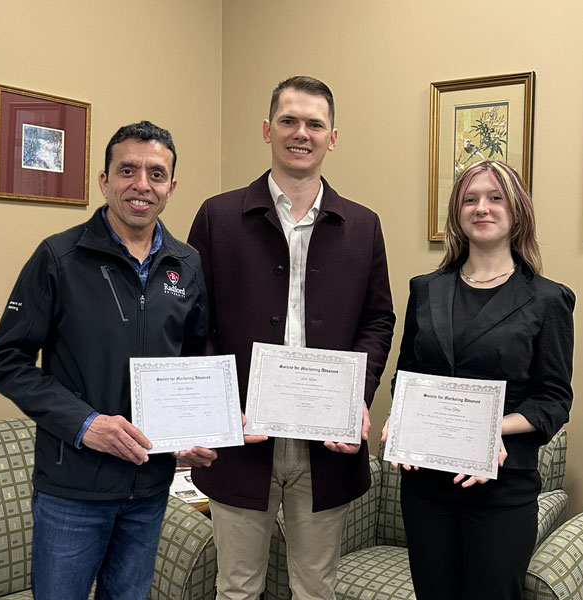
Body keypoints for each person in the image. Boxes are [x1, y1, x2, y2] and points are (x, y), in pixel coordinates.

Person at [0, 121, 218, 600]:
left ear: (171, 186)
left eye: (156, 173)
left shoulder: (186, 265)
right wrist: (86, 424)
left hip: (151, 488)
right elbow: (5, 360)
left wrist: (193, 433)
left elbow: (194, 360)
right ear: (104, 180)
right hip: (73, 488)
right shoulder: (58, 257)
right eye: (127, 170)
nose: (141, 184)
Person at [187, 75, 395, 600]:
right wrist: (217, 405)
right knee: (236, 587)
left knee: (316, 587)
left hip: (326, 444)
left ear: (332, 136)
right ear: (267, 129)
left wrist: (357, 397)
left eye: (314, 124)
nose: (300, 133)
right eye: (289, 121)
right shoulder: (218, 217)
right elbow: (195, 323)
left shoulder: (363, 226)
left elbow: (378, 321)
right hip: (242, 436)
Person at [384, 160, 575, 599]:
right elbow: (408, 374)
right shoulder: (425, 289)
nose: (481, 208)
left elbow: (553, 400)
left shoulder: (547, 300)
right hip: (427, 484)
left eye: (494, 198)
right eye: (470, 200)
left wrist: (489, 428)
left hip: (501, 488)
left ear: (517, 212)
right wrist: (402, 418)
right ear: (457, 213)